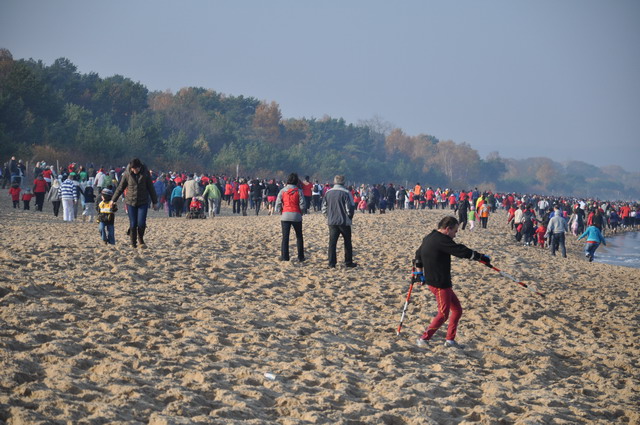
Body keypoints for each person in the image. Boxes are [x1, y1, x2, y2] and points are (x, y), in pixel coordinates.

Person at [414, 216, 491, 349]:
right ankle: (423, 339)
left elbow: (417, 255)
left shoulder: (430, 236)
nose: (455, 235)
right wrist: (480, 257)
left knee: (457, 310)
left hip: (441, 281)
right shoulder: (441, 240)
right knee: (443, 314)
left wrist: (419, 273)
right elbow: (460, 251)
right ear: (448, 229)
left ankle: (450, 340)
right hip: (439, 283)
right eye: (455, 231)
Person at [112, 158, 158, 248]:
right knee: (133, 223)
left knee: (141, 223)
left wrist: (154, 202)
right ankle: (133, 243)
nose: (134, 170)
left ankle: (140, 239)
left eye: (136, 169)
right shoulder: (127, 173)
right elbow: (120, 187)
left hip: (143, 202)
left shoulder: (146, 173)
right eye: (132, 169)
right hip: (130, 201)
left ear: (140, 167)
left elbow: (151, 188)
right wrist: (113, 200)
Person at [322, 175, 357, 268]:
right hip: (344, 221)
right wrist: (350, 217)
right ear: (344, 182)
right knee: (347, 242)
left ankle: (331, 263)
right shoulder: (346, 193)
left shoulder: (328, 192)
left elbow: (324, 208)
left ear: (334, 182)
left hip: (332, 221)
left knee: (332, 243)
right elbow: (350, 208)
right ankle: (348, 262)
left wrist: (328, 217)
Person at [275, 173, 306, 262]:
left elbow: (278, 203)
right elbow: (302, 205)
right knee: (299, 236)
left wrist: (280, 211)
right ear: (296, 181)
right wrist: (301, 212)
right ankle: (300, 257)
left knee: (285, 237)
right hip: (296, 215)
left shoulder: (282, 191)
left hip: (285, 215)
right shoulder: (299, 191)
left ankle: (285, 257)